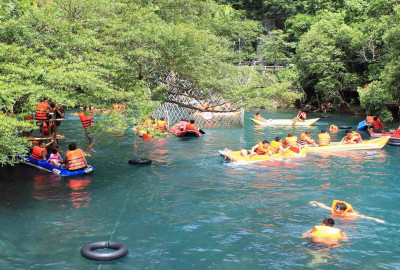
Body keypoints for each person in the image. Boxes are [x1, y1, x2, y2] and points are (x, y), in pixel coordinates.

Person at [308, 200, 385, 223]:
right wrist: (315, 202)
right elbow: (324, 206)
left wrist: (376, 219)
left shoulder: (349, 214)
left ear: (342, 210)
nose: (335, 209)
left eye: (338, 209)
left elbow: (363, 216)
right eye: (336, 207)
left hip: (347, 223)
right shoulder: (334, 211)